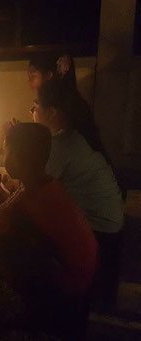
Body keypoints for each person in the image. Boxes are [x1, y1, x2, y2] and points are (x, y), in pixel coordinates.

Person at [0, 123, 98, 338]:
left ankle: (33, 307)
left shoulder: (28, 199)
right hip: (84, 273)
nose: (3, 157)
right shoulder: (46, 184)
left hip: (66, 282)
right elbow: (13, 208)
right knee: (11, 235)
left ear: (19, 159)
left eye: (6, 151)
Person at [33, 79, 124, 310]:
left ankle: (46, 301)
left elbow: (33, 183)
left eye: (35, 106)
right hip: (110, 226)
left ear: (51, 112)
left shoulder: (63, 144)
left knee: (31, 228)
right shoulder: (73, 134)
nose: (32, 111)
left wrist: (16, 143)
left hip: (102, 235)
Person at [28, 53, 105, 156]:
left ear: (48, 76)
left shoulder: (64, 110)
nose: (29, 82)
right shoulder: (55, 106)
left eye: (33, 77)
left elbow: (47, 148)